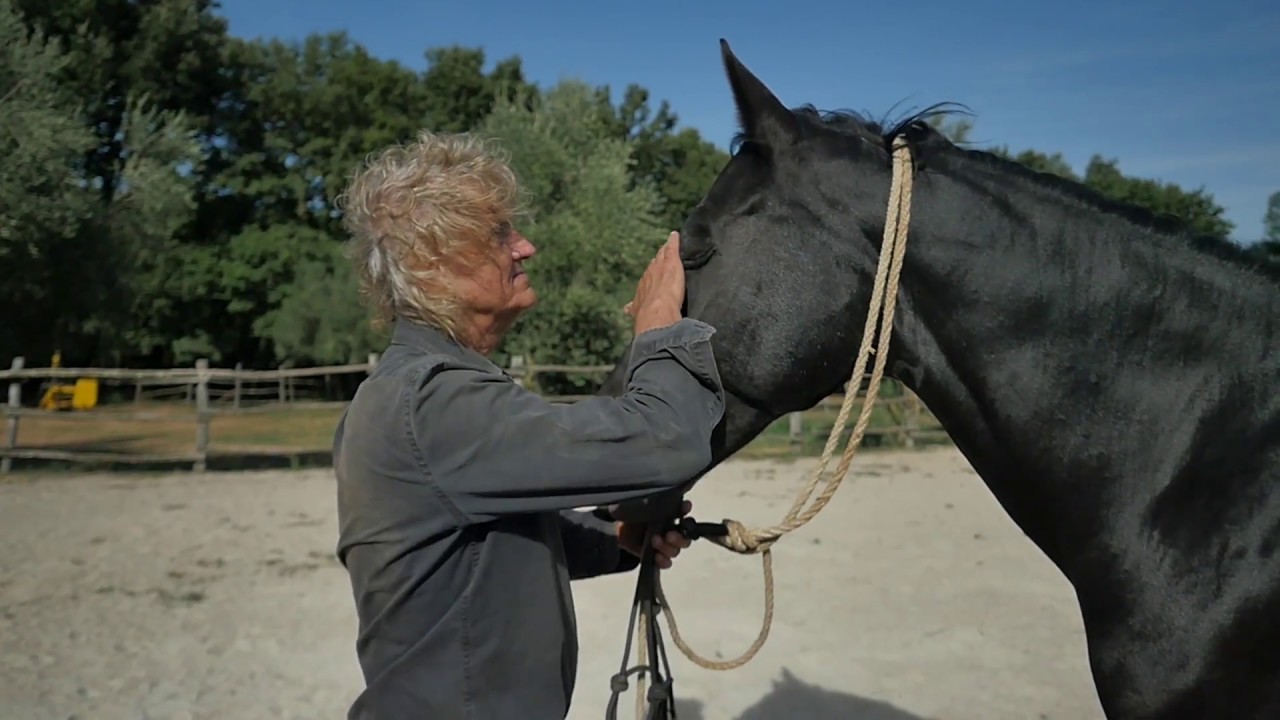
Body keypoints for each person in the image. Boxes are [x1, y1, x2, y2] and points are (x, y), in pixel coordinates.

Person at [330, 129, 726, 719]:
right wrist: (659, 326)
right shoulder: (434, 400)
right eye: (498, 233)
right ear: (432, 262)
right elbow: (665, 440)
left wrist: (618, 542)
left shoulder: (414, 391)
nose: (526, 246)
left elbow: (485, 543)